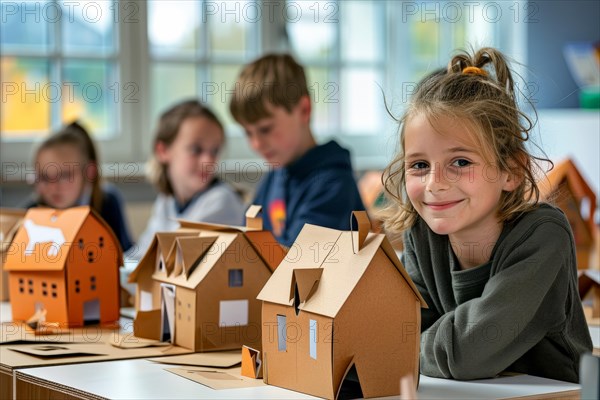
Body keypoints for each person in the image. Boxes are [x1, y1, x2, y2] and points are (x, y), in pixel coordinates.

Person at [382, 47, 592, 383]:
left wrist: (400, 348)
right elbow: (396, 331)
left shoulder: (544, 235)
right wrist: (397, 345)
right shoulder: (421, 237)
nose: (435, 183)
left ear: (511, 170)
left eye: (461, 163)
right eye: (419, 165)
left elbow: (465, 355)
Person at [229, 53, 365, 247]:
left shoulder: (333, 183)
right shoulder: (275, 175)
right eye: (248, 133)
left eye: (265, 129)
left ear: (304, 110)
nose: (256, 144)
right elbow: (246, 242)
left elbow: (298, 262)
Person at [130, 99, 245, 259]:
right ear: (163, 151)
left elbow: (175, 261)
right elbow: (141, 253)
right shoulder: (166, 201)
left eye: (215, 151)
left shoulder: (222, 201)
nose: (208, 161)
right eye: (196, 149)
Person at [27, 121, 134, 252]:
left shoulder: (107, 203)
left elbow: (125, 255)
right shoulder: (30, 214)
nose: (53, 187)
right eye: (44, 177)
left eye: (65, 176)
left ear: (89, 173)